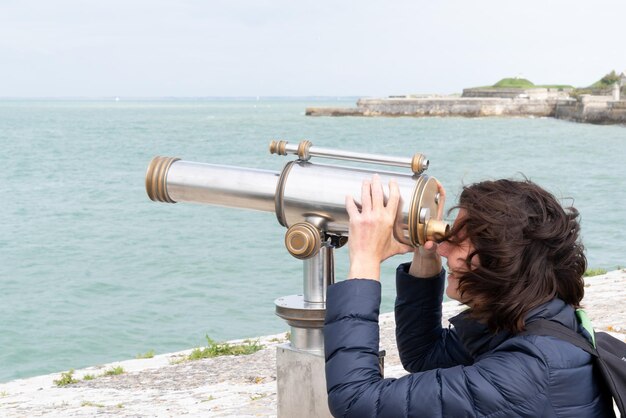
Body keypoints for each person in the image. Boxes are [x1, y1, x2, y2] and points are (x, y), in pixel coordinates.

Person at [323, 175, 615, 417]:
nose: (443, 248)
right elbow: (425, 356)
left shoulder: (524, 373)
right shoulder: (537, 319)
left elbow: (355, 401)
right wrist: (425, 258)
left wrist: (364, 260)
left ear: (499, 261)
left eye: (459, 242)